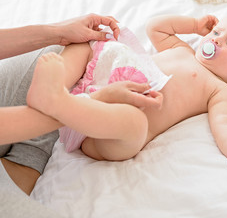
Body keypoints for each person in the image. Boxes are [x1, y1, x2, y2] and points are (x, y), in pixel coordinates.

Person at [26, 9, 227, 185]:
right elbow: (156, 28)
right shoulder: (182, 48)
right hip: (100, 82)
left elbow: (226, 129)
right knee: (87, 44)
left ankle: (65, 105)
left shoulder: (218, 90)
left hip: (109, 132)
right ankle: (55, 87)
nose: (217, 39)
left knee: (135, 124)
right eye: (217, 32)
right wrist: (194, 25)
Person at [0, 13, 161, 196]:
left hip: (53, 116)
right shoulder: (183, 51)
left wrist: (59, 32)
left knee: (69, 52)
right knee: (136, 122)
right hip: (93, 116)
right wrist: (89, 102)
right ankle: (56, 100)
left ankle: (56, 99)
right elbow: (157, 27)